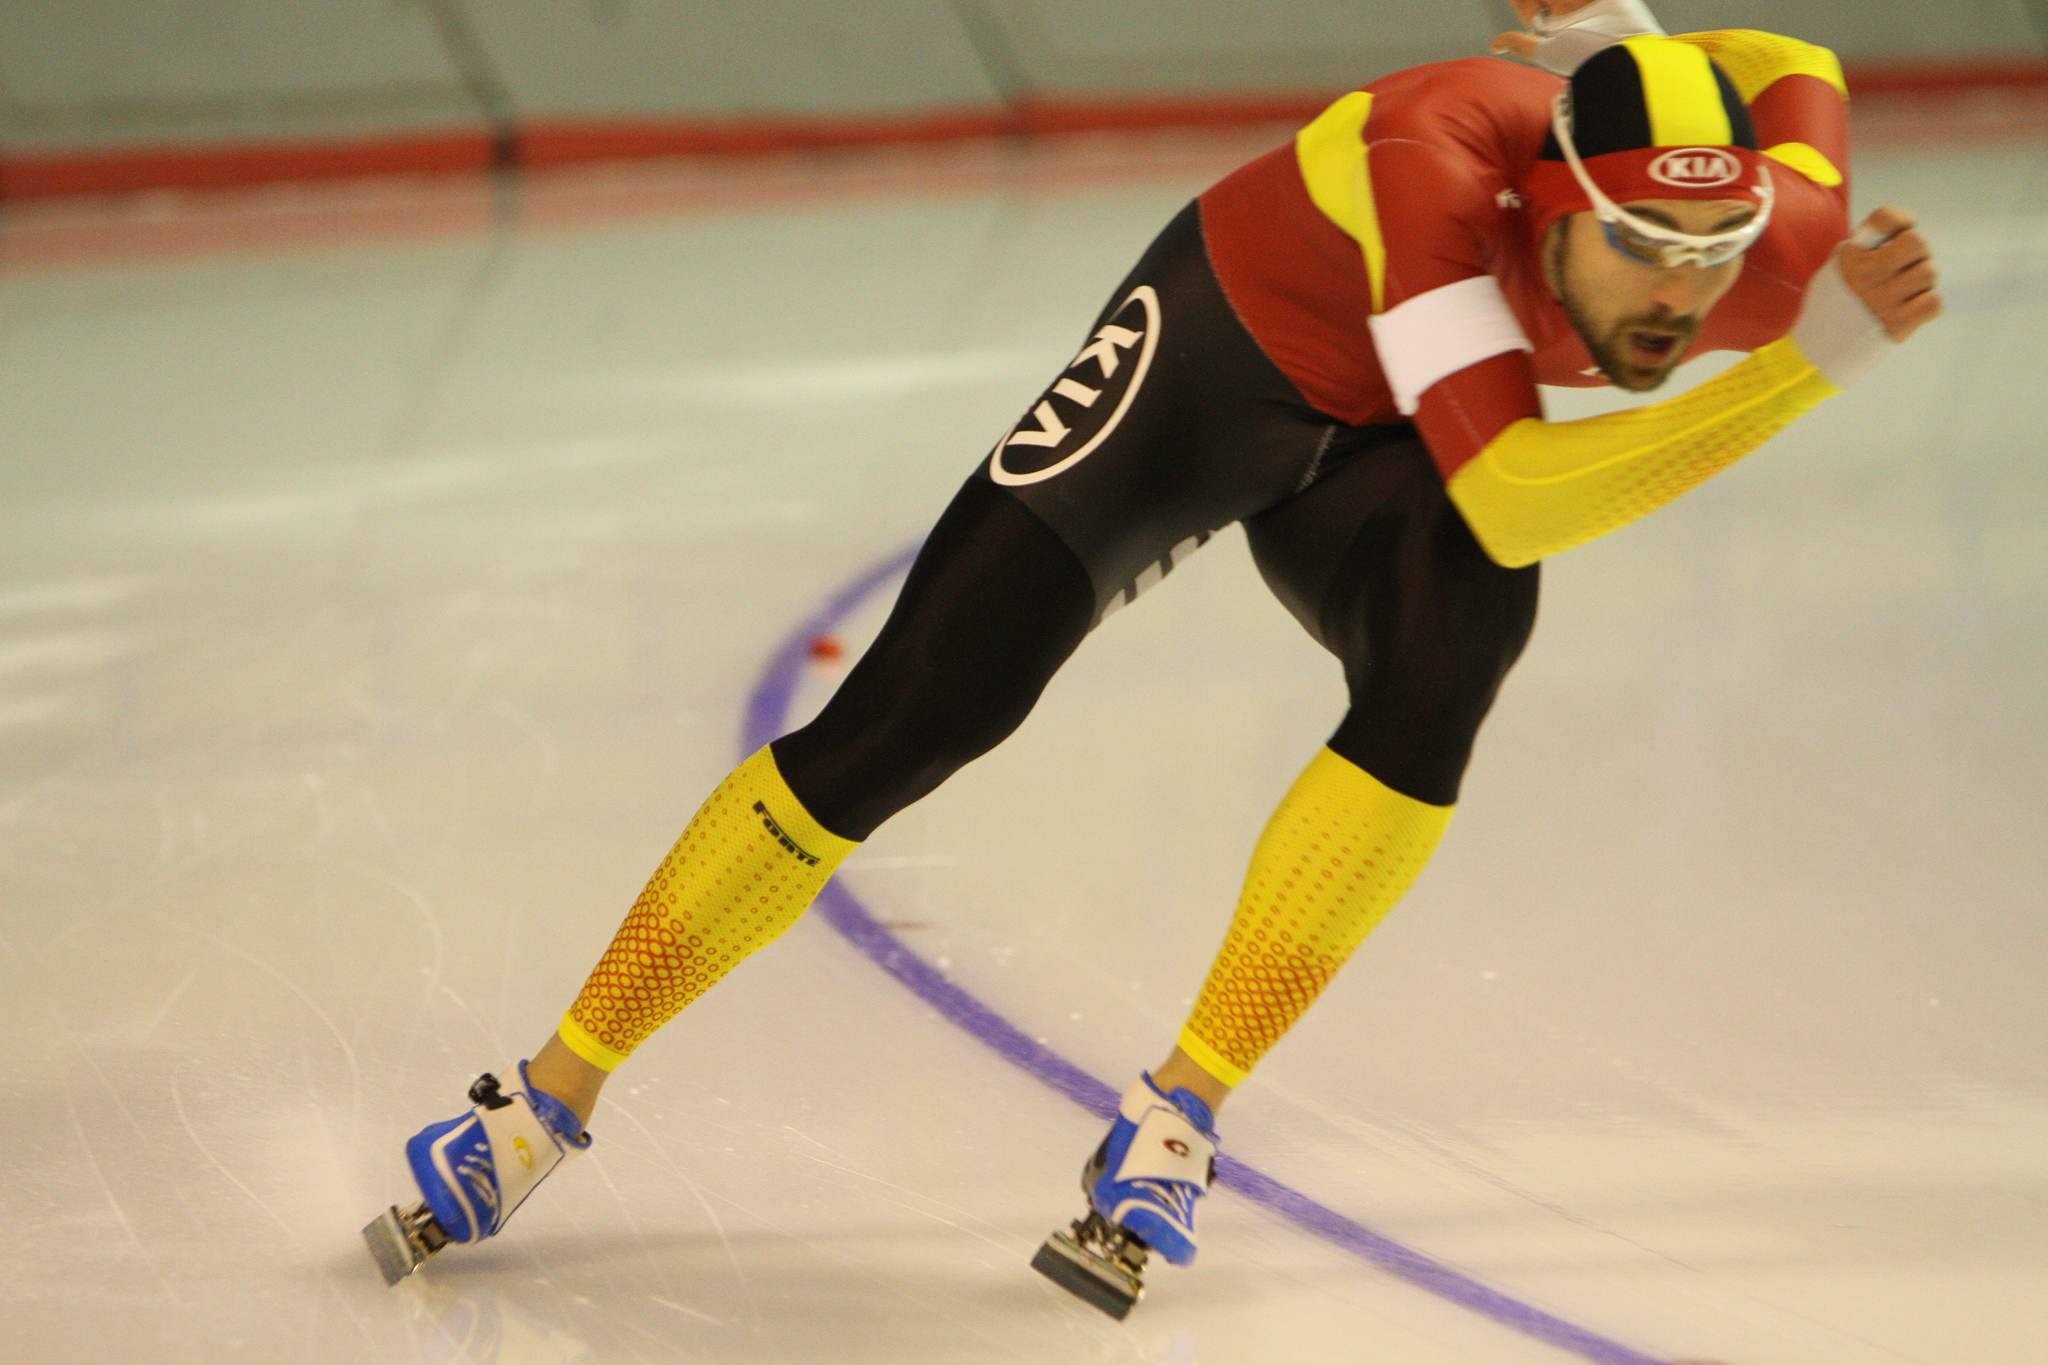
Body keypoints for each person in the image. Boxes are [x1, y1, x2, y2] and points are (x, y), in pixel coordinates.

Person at [363, 0, 1942, 1313]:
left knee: (1456, 644)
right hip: (1220, 359)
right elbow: (1524, 496)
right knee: (919, 711)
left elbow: (1804, 62)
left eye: (1715, 247)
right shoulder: (1439, 165)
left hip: (1387, 440)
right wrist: (1809, 377)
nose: (1681, 292)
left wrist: (1636, 41)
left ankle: (1178, 1113)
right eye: (1640, 246)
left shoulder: (1775, 236)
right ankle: (540, 1100)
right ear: (1551, 200)